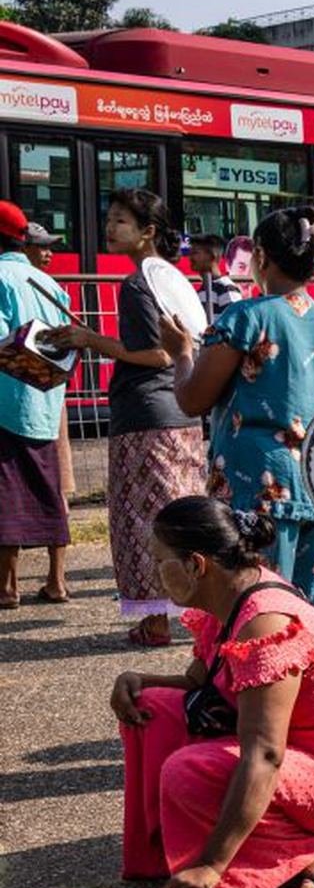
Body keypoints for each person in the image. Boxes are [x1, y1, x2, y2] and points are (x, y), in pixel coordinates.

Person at [111, 496, 314, 888]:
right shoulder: (229, 595)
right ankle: (169, 852)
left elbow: (264, 754)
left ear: (195, 565)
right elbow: (198, 682)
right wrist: (137, 680)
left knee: (187, 772)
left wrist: (211, 865)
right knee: (150, 708)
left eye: (159, 562)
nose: (155, 574)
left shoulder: (266, 621)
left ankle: (300, 852)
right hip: (303, 763)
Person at [161, 205, 314, 629]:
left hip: (256, 483)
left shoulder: (246, 317)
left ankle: (260, 692)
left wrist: (180, 353)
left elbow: (193, 399)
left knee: (256, 605)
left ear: (262, 258)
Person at [46, 191, 208, 646]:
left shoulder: (138, 283)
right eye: (110, 220)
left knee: (143, 520)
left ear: (148, 232)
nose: (110, 228)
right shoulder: (170, 278)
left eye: (120, 221)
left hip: (144, 417)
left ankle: (156, 622)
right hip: (181, 412)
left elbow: (157, 355)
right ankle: (198, 617)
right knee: (183, 516)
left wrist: (88, 339)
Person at [0, 202, 74, 609]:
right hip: (47, 402)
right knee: (51, 491)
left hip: (6, 402)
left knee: (7, 494)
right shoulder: (48, 282)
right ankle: (56, 582)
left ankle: (7, 587)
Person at [186, 234, 243, 322]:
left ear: (212, 256)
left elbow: (235, 323)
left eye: (195, 253)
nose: (190, 258)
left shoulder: (226, 288)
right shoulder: (203, 289)